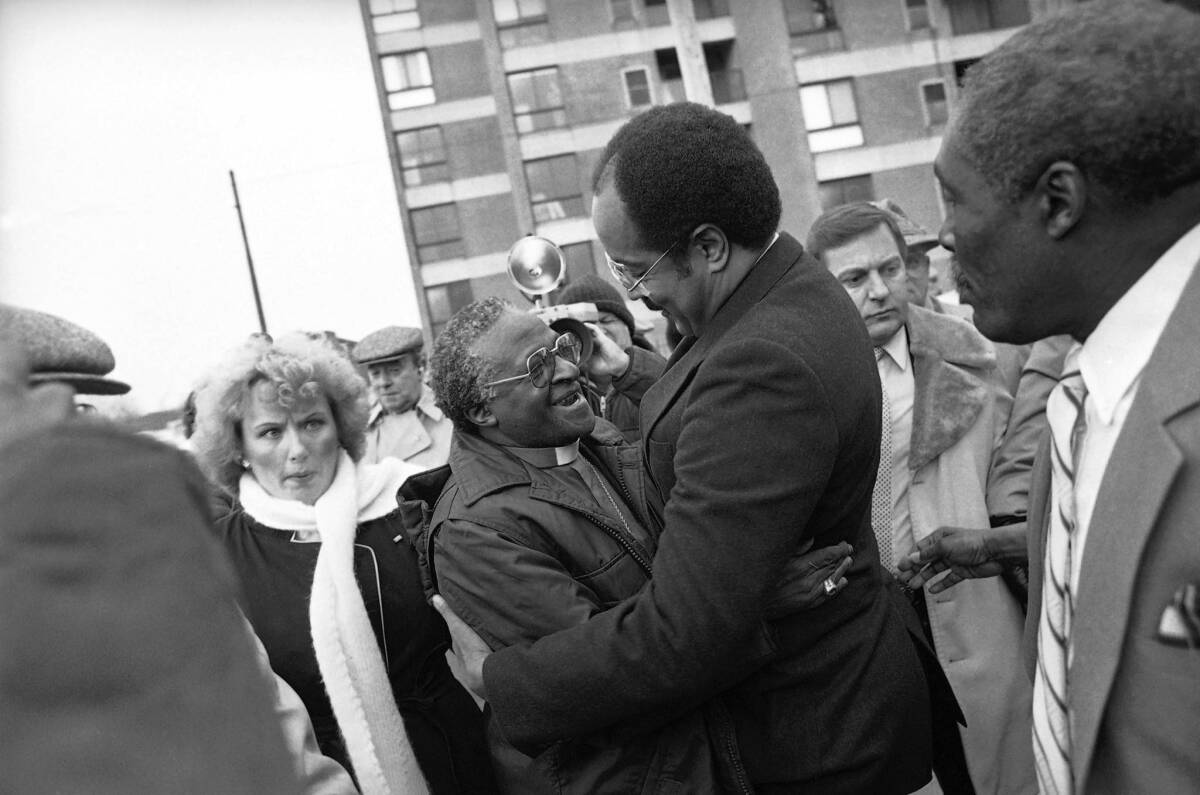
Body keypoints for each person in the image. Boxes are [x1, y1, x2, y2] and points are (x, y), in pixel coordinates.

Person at [435, 102, 934, 793]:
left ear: (709, 247)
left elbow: (683, 634)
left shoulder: (760, 364)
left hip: (815, 731)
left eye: (639, 272)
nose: (637, 301)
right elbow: (692, 424)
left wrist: (500, 681)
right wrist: (632, 373)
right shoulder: (784, 292)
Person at [914, 2, 1200, 791]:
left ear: (1058, 201)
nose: (942, 239)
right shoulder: (1084, 383)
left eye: (954, 200)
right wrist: (1008, 545)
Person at [412, 297, 856, 791]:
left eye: (560, 346)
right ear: (480, 409)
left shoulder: (596, 438)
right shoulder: (475, 531)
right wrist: (753, 604)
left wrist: (628, 369)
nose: (566, 368)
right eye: (538, 367)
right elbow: (613, 681)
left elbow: (696, 423)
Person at [191, 332, 496, 794]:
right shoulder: (218, 555)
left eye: (312, 423)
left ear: (342, 425)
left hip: (455, 758)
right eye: (271, 431)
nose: (296, 448)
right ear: (238, 448)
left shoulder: (409, 504)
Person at [808, 201, 1034, 794]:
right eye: (854, 279)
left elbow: (1020, 472)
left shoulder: (983, 355)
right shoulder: (800, 379)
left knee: (996, 769)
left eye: (890, 268)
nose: (880, 290)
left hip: (977, 608)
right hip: (867, 625)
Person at [553, 274, 666, 441]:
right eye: (582, 327)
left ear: (628, 327)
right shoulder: (559, 393)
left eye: (605, 321)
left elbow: (678, 409)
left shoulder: (665, 372)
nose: (595, 332)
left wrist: (626, 368)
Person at [352, 325, 453, 468]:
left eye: (394, 371)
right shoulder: (358, 425)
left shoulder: (450, 417)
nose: (383, 382)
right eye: (375, 374)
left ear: (420, 367)